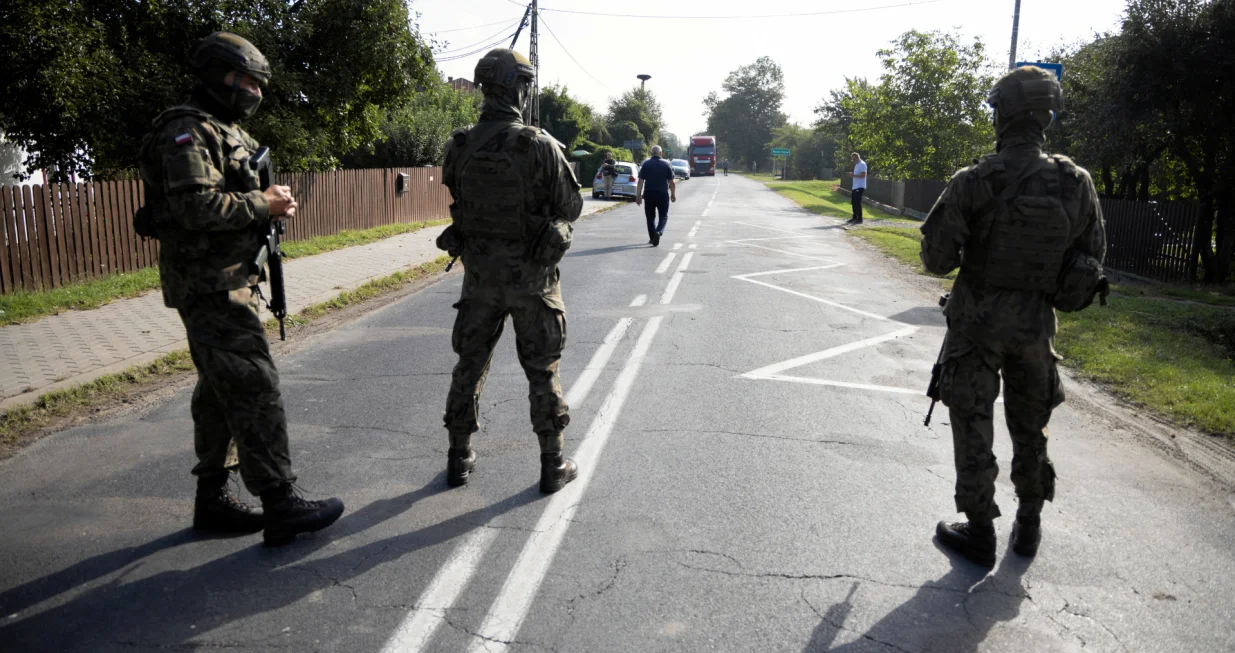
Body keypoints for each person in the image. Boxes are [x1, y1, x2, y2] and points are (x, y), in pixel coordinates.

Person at [138, 32, 344, 547]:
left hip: (229, 279)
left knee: (219, 393)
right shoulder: (188, 130)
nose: (253, 91)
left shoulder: (222, 130)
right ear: (219, 74)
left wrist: (270, 204)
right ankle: (280, 502)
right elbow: (194, 208)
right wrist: (262, 205)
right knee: (254, 386)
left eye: (258, 83)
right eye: (247, 80)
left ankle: (212, 500)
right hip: (209, 284)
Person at [919, 66, 1106, 567]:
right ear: (1046, 116)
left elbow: (936, 259)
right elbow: (1092, 256)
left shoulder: (974, 181)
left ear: (1002, 114)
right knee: (1031, 427)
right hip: (1034, 330)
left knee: (973, 425)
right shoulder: (1075, 182)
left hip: (976, 328)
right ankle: (1029, 524)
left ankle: (980, 531)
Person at [436, 48, 583, 493]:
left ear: (483, 87)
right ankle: (552, 463)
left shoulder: (458, 145)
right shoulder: (538, 145)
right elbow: (571, 206)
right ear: (518, 87)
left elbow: (459, 204)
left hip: (479, 281)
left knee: (469, 365)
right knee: (542, 370)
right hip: (532, 284)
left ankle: (458, 457)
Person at [634, 145, 676, 247]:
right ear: (661, 153)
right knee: (663, 216)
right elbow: (672, 182)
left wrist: (638, 196)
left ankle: (653, 238)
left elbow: (640, 181)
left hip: (649, 194)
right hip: (662, 194)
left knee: (650, 217)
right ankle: (659, 231)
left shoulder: (646, 164)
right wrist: (673, 194)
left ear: (651, 153)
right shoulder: (666, 165)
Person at [845, 152, 867, 224]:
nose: (854, 161)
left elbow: (863, 175)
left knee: (857, 202)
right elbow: (856, 175)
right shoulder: (857, 165)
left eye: (854, 159)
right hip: (855, 186)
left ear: (858, 157)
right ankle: (854, 217)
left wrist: (853, 175)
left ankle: (860, 218)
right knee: (853, 202)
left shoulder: (862, 164)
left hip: (860, 186)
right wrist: (852, 175)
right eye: (853, 160)